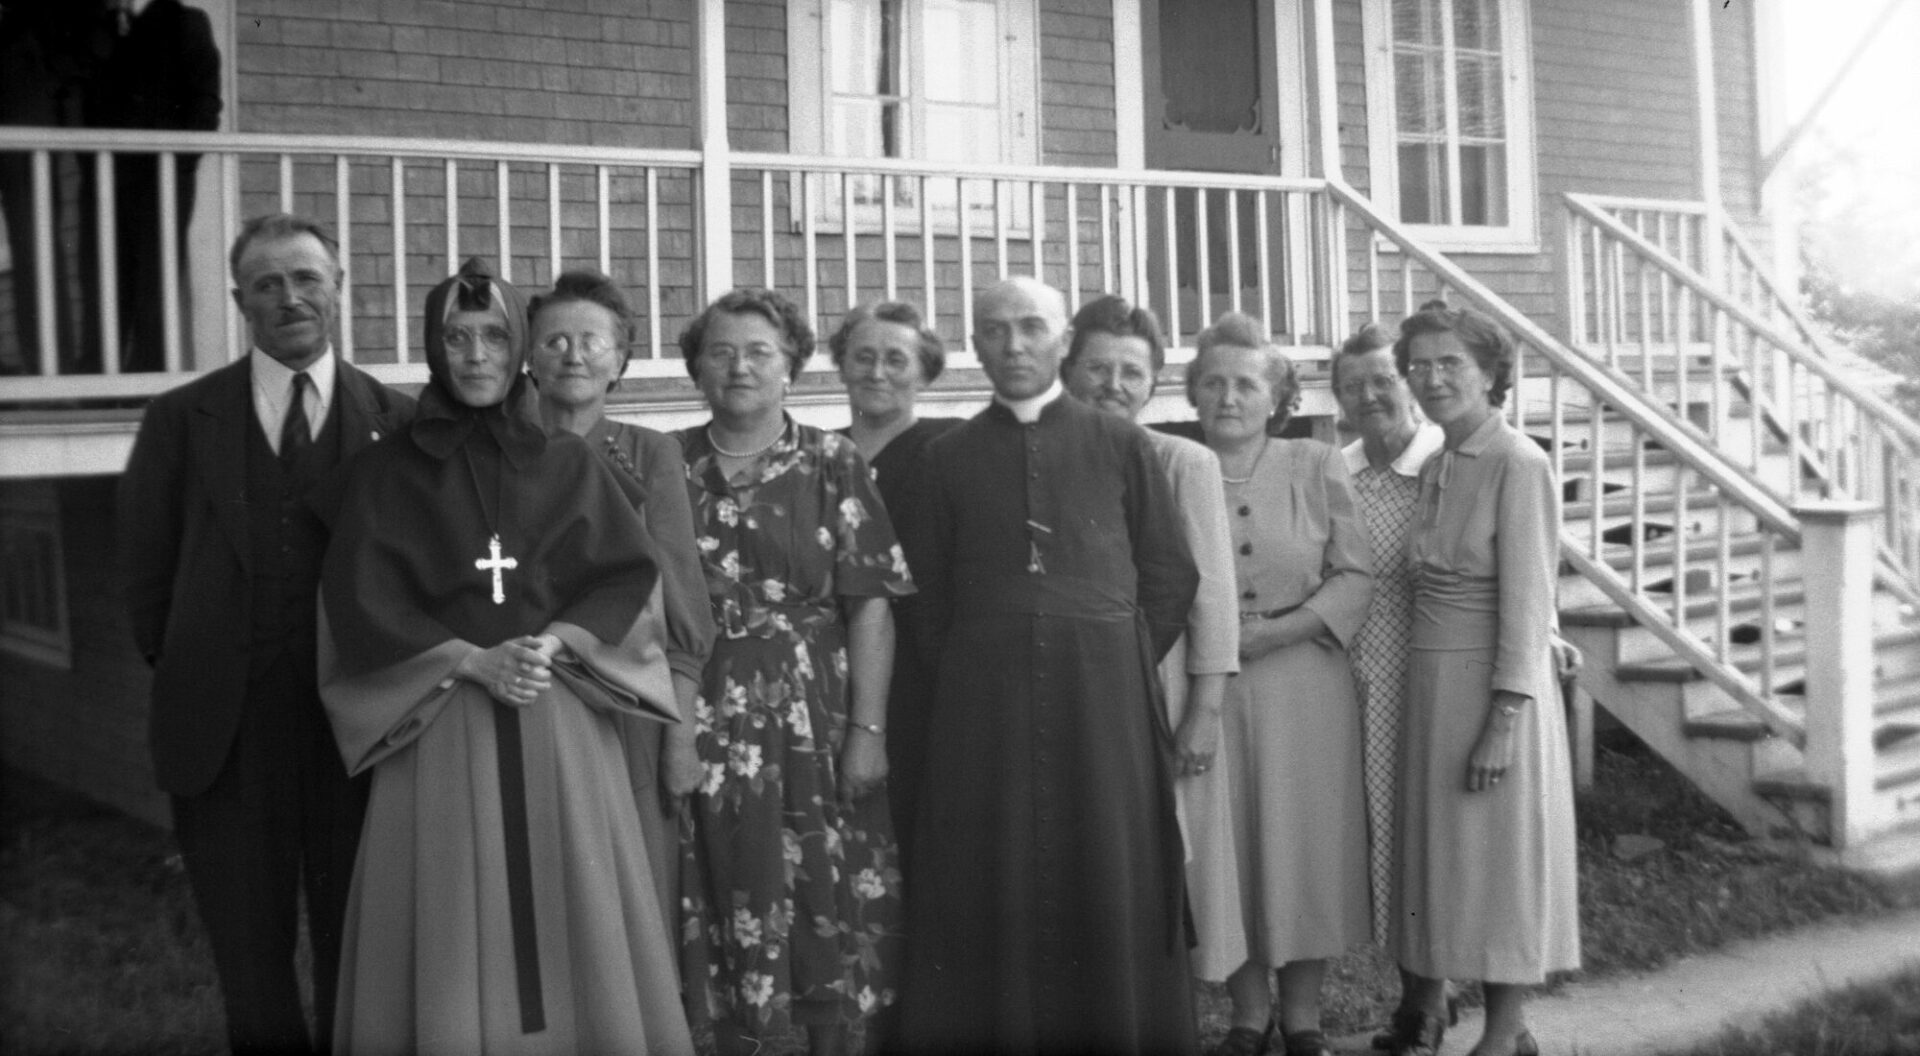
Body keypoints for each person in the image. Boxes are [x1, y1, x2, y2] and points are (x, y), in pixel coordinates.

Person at [317, 257, 694, 1055]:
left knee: (573, 909)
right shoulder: (386, 473)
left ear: (519, 344)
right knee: (452, 914)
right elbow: (359, 602)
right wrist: (467, 659)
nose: (478, 355)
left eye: (494, 335)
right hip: (442, 722)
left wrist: (553, 643)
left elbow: (626, 580)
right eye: (458, 337)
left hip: (553, 712)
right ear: (433, 347)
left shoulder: (568, 461)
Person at [116, 212, 414, 1054]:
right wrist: (193, 667)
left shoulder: (395, 419)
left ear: (339, 288)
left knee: (361, 948)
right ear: (241, 298)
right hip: (227, 734)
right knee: (252, 958)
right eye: (269, 283)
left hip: (358, 736)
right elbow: (144, 571)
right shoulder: (181, 419)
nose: (290, 297)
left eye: (307, 278)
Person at [899, 276, 1201, 1056]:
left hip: (1104, 703)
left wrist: (1106, 654)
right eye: (994, 330)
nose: (1014, 345)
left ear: (1064, 340)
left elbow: (1170, 578)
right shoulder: (947, 456)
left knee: (1107, 866)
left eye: (1032, 327)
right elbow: (926, 600)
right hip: (981, 707)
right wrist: (985, 658)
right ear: (975, 346)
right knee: (989, 869)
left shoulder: (1121, 444)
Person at [674, 288, 912, 1056]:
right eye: (721, 351)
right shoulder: (663, 465)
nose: (739, 367)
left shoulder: (831, 460)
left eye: (759, 352)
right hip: (701, 703)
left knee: (820, 884)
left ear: (792, 369)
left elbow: (871, 606)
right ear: (696, 368)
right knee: (715, 874)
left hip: (815, 708)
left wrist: (867, 732)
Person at [1384, 303, 1580, 1056]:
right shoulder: (1437, 464)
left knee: (1501, 862)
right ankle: (1475, 1020)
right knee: (1451, 864)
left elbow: (1529, 602)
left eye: (1450, 364)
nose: (1431, 379)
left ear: (1492, 374)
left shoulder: (1519, 462)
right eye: (1420, 365)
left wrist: (1503, 720)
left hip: (1495, 696)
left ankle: (1507, 1033)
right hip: (1434, 690)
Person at [1194, 312, 1373, 1056]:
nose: (1228, 397)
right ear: (1194, 394)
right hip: (1211, 687)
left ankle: (1301, 1018)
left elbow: (1356, 573)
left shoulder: (1315, 463)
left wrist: (1278, 631)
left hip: (1304, 680)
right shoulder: (1174, 462)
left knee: (1303, 844)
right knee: (1226, 840)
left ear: (1276, 395)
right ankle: (1245, 1014)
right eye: (1213, 383)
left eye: (1245, 383)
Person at [1060, 293, 1245, 984]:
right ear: (1068, 369)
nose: (1113, 385)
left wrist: (1204, 711)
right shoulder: (1045, 454)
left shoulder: (1180, 462)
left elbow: (1213, 597)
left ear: (1153, 384)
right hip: (1072, 691)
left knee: (1161, 857)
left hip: (1159, 691)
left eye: (1131, 373)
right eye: (1098, 368)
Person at [526, 268, 716, 935]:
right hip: (524, 696)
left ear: (620, 361)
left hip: (625, 706)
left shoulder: (648, 453)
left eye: (592, 341)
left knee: (628, 898)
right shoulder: (500, 454)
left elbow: (684, 604)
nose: (573, 355)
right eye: (554, 341)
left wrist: (679, 738)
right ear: (528, 357)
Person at [827, 298, 961, 866]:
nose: (877, 372)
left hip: (925, 670)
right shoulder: (820, 453)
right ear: (841, 365)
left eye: (896, 360)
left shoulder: (951, 450)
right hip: (832, 667)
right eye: (863, 357)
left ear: (925, 372)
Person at [1332, 323, 1446, 948]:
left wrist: (1550, 629)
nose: (1369, 395)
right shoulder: (1333, 469)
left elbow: (1499, 553)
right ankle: (1417, 989)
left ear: (1409, 383)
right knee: (1382, 828)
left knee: (1433, 830)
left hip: (1431, 668)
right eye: (1353, 386)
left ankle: (1435, 991)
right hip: (1358, 678)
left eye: (1383, 379)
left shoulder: (1443, 461)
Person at [81, 0, 222, 372]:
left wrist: (180, 161)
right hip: (107, 177)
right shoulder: (101, 25)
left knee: (154, 284)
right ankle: (100, 384)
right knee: (107, 280)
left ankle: (146, 380)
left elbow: (205, 99)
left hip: (163, 176)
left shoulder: (186, 23)